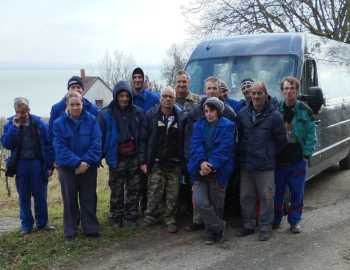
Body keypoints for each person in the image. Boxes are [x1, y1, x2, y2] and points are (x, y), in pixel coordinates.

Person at [184, 76, 237, 232]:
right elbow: (191, 140)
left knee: (216, 201)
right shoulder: (196, 113)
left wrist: (212, 165)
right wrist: (198, 162)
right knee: (199, 200)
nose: (208, 113)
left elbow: (229, 145)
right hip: (200, 165)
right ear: (204, 90)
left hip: (219, 165)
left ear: (220, 90)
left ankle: (212, 231)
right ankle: (213, 225)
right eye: (209, 88)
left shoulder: (229, 114)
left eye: (215, 88)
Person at [235, 82, 286, 241]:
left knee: (266, 196)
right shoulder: (243, 113)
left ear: (266, 94)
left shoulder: (275, 115)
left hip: (265, 165)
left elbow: (281, 140)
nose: (255, 96)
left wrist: (268, 154)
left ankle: (265, 226)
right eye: (253, 93)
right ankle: (249, 225)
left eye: (259, 93)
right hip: (247, 164)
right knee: (246, 196)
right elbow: (238, 137)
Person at [53, 91, 104, 244]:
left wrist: (84, 163)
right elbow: (60, 149)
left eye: (78, 104)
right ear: (67, 105)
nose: (75, 108)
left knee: (89, 199)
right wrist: (77, 163)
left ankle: (91, 230)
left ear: (82, 104)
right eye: (72, 105)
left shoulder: (92, 120)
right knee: (70, 200)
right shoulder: (58, 124)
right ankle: (70, 231)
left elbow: (97, 144)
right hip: (68, 169)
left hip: (88, 168)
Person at [1, 97, 55, 235]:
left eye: (23, 112)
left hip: (37, 163)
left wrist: (50, 166)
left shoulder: (39, 124)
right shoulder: (10, 125)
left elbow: (49, 145)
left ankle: (42, 223)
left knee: (40, 195)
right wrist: (14, 128)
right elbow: (7, 144)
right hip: (20, 165)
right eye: (17, 112)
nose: (20, 115)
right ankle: (26, 225)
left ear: (28, 110)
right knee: (23, 196)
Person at [138, 87, 187, 233]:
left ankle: (171, 218)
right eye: (165, 96)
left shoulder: (182, 117)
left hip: (175, 163)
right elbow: (143, 140)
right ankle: (151, 217)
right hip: (156, 162)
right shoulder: (151, 115)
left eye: (170, 97)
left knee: (173, 194)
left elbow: (186, 139)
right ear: (160, 98)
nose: (167, 99)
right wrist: (142, 161)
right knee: (154, 192)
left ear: (175, 99)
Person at [273, 76, 317, 234]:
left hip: (297, 160)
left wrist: (306, 156)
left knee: (297, 193)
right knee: (277, 193)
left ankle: (294, 221)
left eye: (292, 88)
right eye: (286, 88)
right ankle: (276, 220)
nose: (289, 91)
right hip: (278, 161)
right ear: (282, 91)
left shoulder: (305, 111)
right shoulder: (276, 110)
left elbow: (312, 135)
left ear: (297, 91)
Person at [98, 80, 143, 229]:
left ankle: (131, 216)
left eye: (127, 95)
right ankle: (117, 217)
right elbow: (100, 138)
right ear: (116, 96)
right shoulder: (105, 113)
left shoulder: (137, 112)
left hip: (134, 157)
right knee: (116, 190)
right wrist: (99, 157)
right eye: (121, 95)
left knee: (134, 189)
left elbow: (142, 136)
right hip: (115, 157)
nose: (124, 98)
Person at [129, 67, 160, 215]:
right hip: (130, 146)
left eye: (140, 77)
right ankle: (133, 210)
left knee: (149, 178)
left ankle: (149, 209)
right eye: (134, 77)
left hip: (150, 145)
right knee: (133, 181)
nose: (137, 80)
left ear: (144, 80)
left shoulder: (154, 98)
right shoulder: (126, 97)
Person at [174, 70, 202, 224]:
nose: (181, 84)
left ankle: (192, 212)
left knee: (192, 181)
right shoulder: (170, 100)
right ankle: (179, 211)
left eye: (184, 81)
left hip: (191, 149)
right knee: (177, 182)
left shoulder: (197, 101)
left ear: (188, 83)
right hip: (174, 148)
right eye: (179, 81)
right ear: (175, 83)